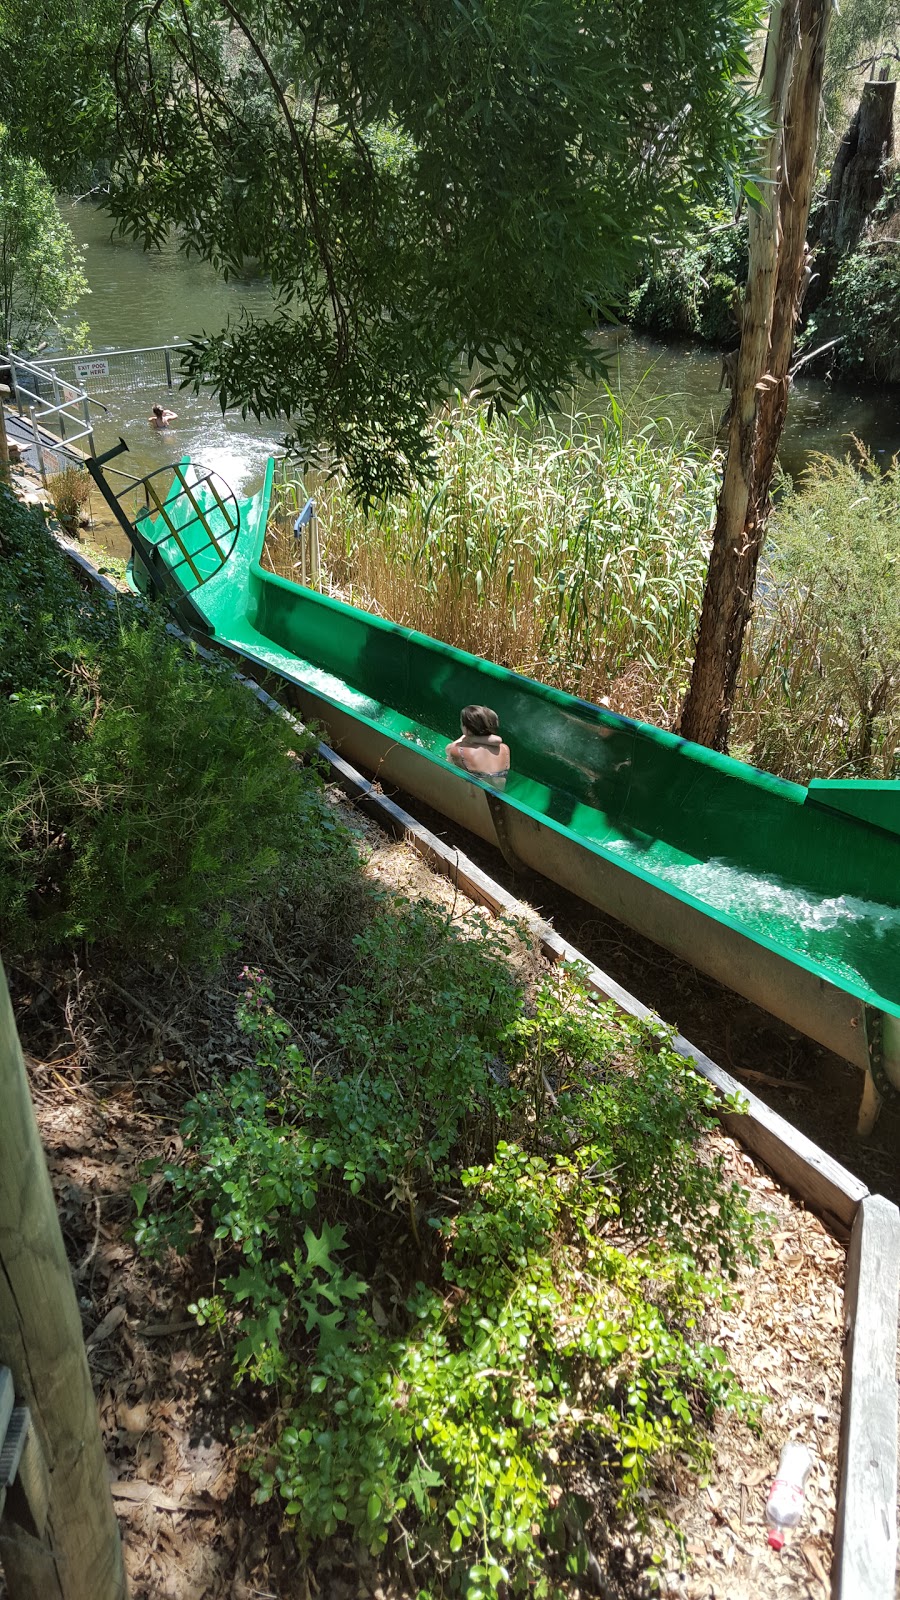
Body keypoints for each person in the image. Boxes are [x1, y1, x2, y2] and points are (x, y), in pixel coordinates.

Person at [446, 705, 510, 788]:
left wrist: (467, 738)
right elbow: (497, 740)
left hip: (475, 797)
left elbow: (448, 757)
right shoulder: (505, 748)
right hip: (499, 795)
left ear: (466, 728)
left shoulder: (459, 751)